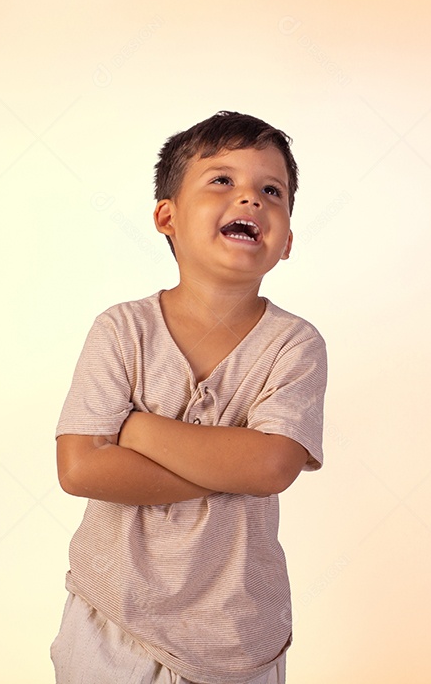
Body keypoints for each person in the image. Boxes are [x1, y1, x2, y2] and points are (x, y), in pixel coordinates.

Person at [52, 111, 328, 684]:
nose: (250, 199)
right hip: (112, 623)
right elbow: (80, 468)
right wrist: (232, 465)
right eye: (222, 180)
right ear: (167, 217)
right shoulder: (122, 330)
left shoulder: (295, 344)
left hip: (238, 635)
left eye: (271, 191)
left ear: (287, 241)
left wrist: (137, 430)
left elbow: (271, 466)